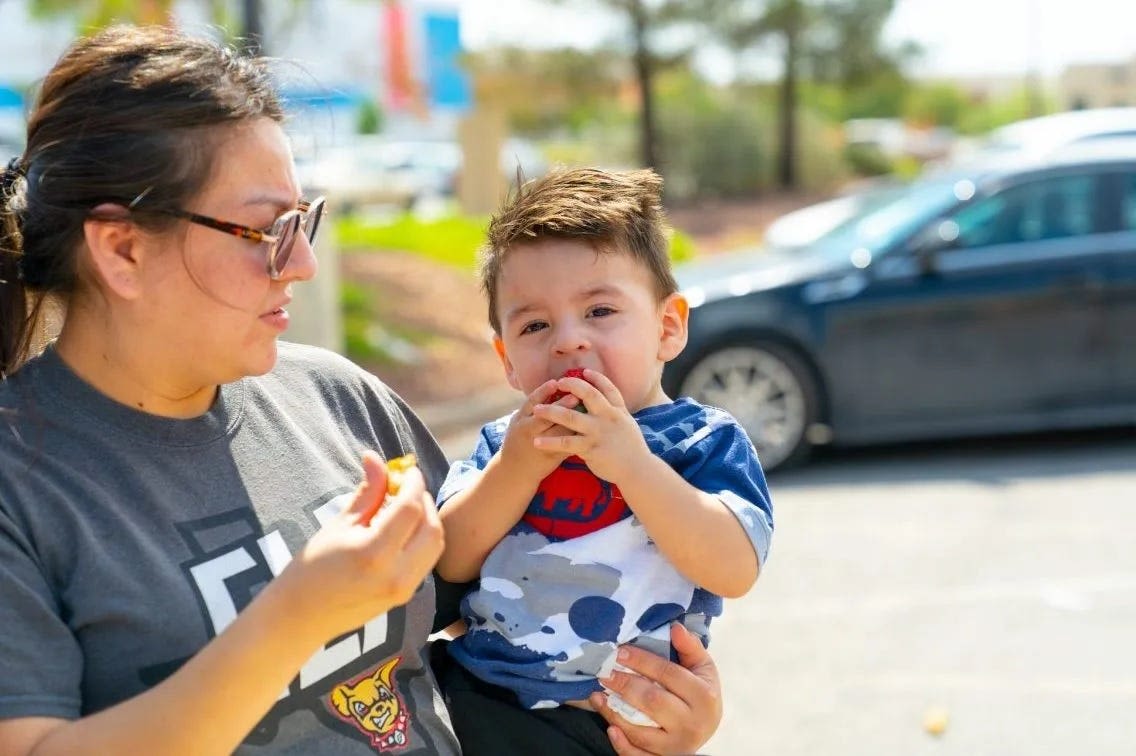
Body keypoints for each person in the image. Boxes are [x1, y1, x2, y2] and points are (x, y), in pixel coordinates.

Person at [0, 25, 723, 755]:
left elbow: (500, 621)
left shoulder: (339, 398)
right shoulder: (19, 483)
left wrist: (646, 710)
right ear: (122, 250)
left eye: (302, 221)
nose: (304, 263)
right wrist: (294, 616)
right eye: (266, 231)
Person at [433, 167, 774, 755]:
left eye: (599, 312)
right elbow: (451, 560)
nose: (568, 341)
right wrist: (515, 470)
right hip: (478, 690)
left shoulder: (699, 441)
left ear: (667, 328)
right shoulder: (504, 443)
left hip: (609, 719)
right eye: (535, 324)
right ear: (507, 360)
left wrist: (633, 465)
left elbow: (734, 568)